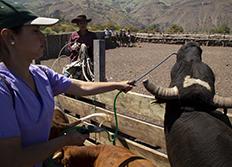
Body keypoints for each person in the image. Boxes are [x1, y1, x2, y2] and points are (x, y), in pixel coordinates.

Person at [0, 1, 133, 167]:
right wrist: (66, 140)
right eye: (35, 31)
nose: (43, 36)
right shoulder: (3, 89)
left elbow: (81, 86)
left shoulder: (41, 73)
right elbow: (12, 160)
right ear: (9, 37)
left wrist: (116, 85)